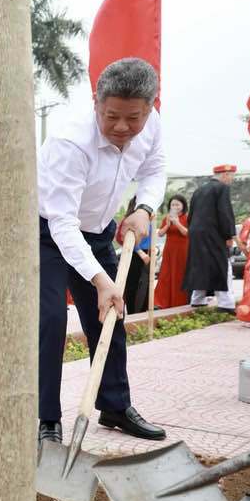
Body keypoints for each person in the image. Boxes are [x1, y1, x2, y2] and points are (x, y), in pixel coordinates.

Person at [37, 57, 167, 444]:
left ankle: (113, 405)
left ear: (149, 109)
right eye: (112, 117)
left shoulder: (151, 124)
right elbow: (61, 224)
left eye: (134, 118)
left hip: (97, 230)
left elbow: (155, 168)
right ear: (97, 104)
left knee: (110, 317)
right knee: (49, 322)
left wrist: (143, 208)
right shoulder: (70, 142)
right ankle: (47, 420)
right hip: (48, 233)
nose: (123, 128)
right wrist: (99, 279)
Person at [183, 165, 244, 313]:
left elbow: (191, 216)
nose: (232, 179)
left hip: (196, 234)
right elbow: (225, 212)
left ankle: (197, 299)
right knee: (221, 265)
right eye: (231, 176)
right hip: (213, 234)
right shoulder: (222, 188)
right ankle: (226, 303)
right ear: (224, 175)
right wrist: (229, 235)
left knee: (200, 265)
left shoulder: (199, 190)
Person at [116, 198, 152, 314]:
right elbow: (123, 238)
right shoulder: (129, 220)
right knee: (134, 284)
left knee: (145, 284)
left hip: (147, 254)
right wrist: (140, 252)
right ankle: (133, 312)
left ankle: (142, 310)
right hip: (134, 254)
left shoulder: (148, 220)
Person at [154, 194, 190, 309]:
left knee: (180, 274)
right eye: (173, 204)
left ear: (183, 206)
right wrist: (168, 224)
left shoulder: (187, 217)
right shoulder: (167, 218)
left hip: (183, 250)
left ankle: (180, 301)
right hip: (169, 250)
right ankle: (162, 302)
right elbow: (160, 233)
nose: (175, 206)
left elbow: (187, 233)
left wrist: (177, 223)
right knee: (166, 275)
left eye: (177, 204)